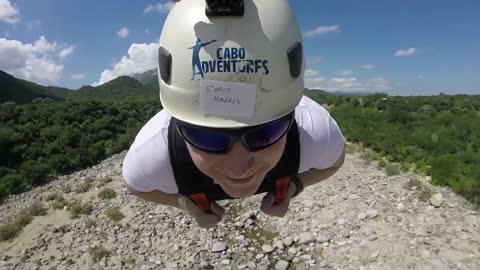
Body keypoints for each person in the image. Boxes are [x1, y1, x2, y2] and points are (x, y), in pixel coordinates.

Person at [122, 0, 345, 228]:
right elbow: (135, 185)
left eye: (265, 133)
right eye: (206, 137)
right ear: (177, 125)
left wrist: (292, 188)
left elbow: (335, 161)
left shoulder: (314, 131)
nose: (238, 169)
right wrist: (189, 205)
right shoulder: (153, 155)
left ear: (291, 117)